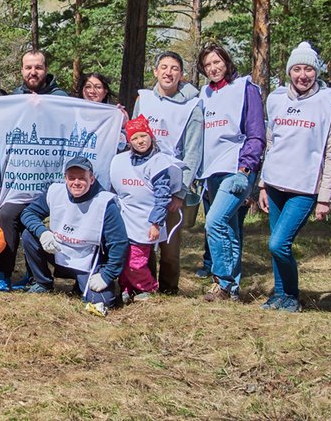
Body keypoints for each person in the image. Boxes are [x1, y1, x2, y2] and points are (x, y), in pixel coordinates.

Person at [257, 42, 331, 313]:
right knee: (276, 243)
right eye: (296, 69)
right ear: (289, 72)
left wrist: (325, 199)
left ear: (316, 72)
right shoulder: (276, 99)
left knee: (278, 243)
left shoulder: (330, 102)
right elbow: (270, 143)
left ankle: (293, 296)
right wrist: (262, 183)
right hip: (274, 183)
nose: (302, 75)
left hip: (304, 188)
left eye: (308, 69)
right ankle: (279, 295)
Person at [0, 51, 69, 293]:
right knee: (7, 216)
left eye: (38, 67)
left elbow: (79, 121)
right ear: (22, 70)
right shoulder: (14, 98)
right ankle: (3, 274)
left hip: (51, 185)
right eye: (28, 68)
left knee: (39, 223)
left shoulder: (61, 98)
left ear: (46, 69)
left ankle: (37, 275)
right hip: (21, 182)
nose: (32, 72)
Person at [197, 43, 265, 302]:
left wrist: (245, 168)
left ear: (226, 61)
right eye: (208, 65)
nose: (213, 68)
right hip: (211, 171)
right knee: (232, 228)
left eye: (217, 62)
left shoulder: (245, 88)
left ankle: (222, 283)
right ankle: (233, 290)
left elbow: (256, 133)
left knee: (215, 222)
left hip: (236, 169)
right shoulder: (204, 94)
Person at [131, 51, 202, 294]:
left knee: (170, 244)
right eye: (164, 67)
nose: (168, 72)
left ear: (181, 75)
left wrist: (181, 191)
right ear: (156, 71)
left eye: (174, 68)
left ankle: (170, 289)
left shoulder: (193, 104)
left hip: (173, 183)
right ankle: (145, 285)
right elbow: (133, 136)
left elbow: (193, 150)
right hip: (144, 179)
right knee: (144, 237)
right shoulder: (143, 99)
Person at [20, 157, 127, 316]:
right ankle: (42, 283)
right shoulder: (55, 192)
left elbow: (119, 244)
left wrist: (107, 275)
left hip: (88, 260)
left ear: (91, 179)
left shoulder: (105, 203)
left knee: (102, 301)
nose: (76, 182)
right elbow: (28, 213)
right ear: (65, 178)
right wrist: (43, 232)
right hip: (59, 251)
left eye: (82, 178)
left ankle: (82, 284)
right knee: (29, 235)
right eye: (71, 178)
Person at [110, 116, 183, 302]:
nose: (140, 141)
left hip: (145, 221)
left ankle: (150, 289)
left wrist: (156, 223)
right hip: (126, 218)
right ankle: (127, 289)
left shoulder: (159, 162)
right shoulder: (121, 160)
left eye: (143, 136)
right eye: (134, 138)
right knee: (123, 257)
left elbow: (162, 196)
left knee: (135, 262)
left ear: (151, 136)